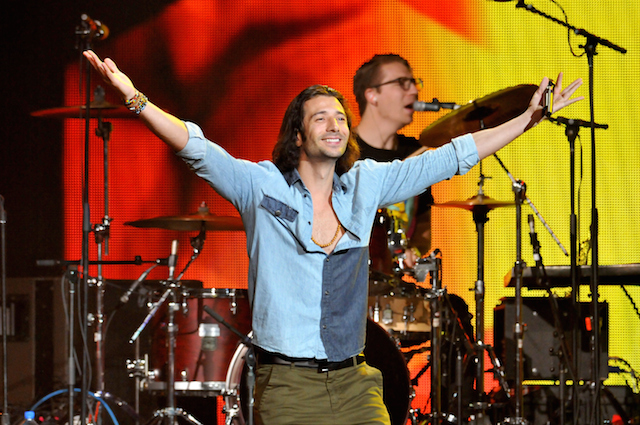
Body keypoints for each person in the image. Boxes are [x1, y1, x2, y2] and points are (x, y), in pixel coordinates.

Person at [82, 49, 582, 425]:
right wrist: (134, 98)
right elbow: (196, 147)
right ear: (298, 135)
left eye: (341, 116)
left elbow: (450, 157)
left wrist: (528, 119)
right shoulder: (261, 185)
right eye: (320, 116)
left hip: (355, 384)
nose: (335, 124)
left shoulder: (366, 182)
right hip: (287, 386)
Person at [353, 53, 433, 271]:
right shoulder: (343, 154)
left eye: (414, 83)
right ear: (372, 95)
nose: (414, 91)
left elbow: (423, 226)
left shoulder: (417, 152)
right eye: (402, 83)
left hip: (391, 283)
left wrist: (414, 252)